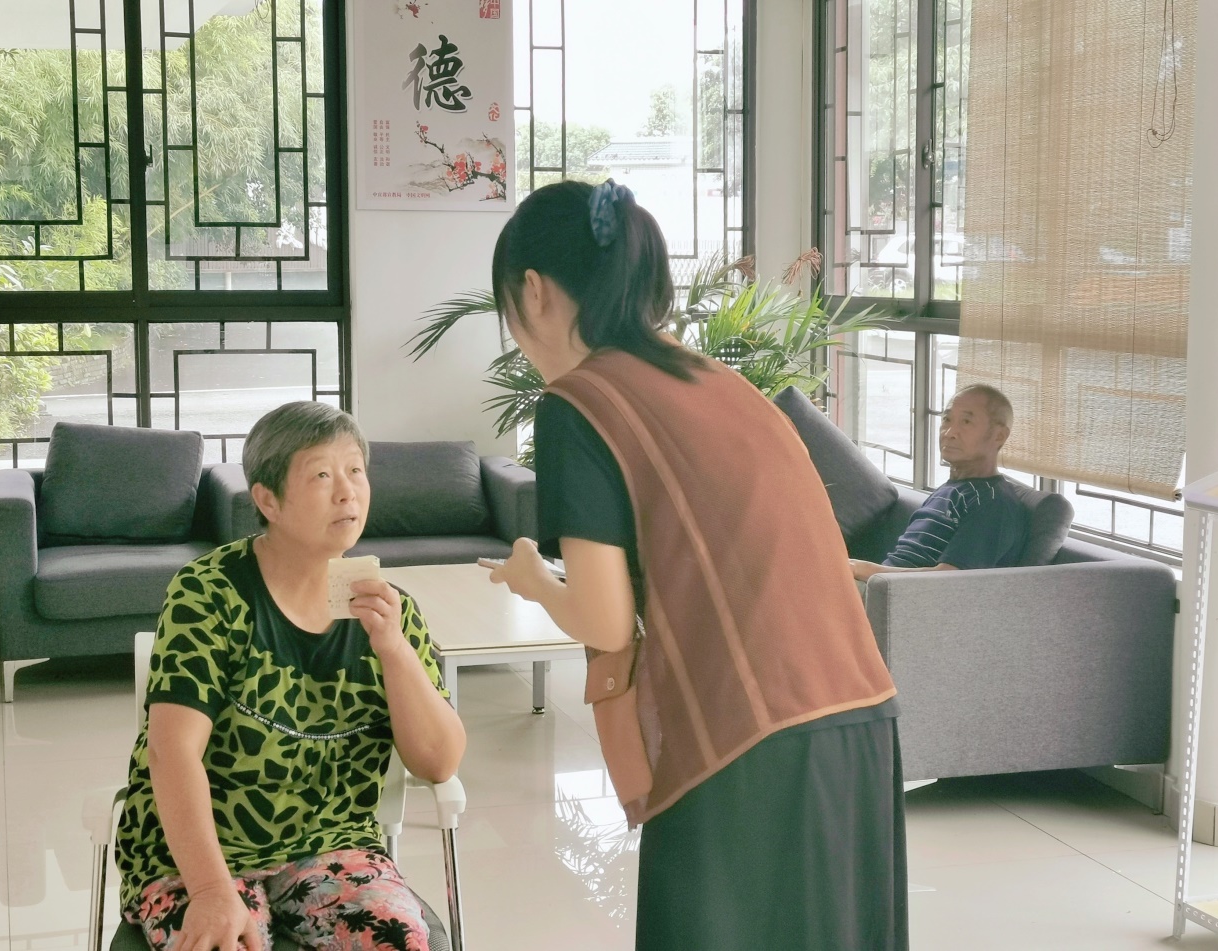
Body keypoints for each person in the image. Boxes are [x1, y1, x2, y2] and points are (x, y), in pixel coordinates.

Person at [482, 179, 908, 951]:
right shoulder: (718, 381)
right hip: (858, 715)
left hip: (746, 740)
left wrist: (535, 580)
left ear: (534, 292)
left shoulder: (581, 403)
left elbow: (606, 618)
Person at [114, 401, 466, 951]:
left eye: (355, 470)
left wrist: (393, 649)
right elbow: (171, 751)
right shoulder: (208, 592)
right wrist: (210, 891)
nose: (347, 492)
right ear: (268, 500)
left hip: (334, 847)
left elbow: (439, 762)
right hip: (198, 858)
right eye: (322, 475)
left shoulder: (390, 610)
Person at [850, 384, 1030, 583]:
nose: (949, 432)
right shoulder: (950, 490)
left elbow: (949, 579)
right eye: (946, 420)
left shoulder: (992, 501)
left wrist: (863, 570)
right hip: (876, 587)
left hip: (898, 595)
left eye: (966, 422)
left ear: (999, 436)